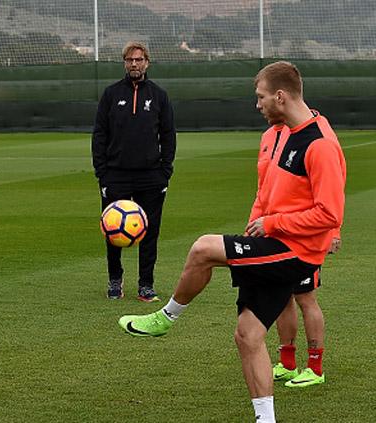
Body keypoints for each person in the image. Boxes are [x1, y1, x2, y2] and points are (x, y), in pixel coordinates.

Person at [117, 61, 346, 423]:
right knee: (248, 334)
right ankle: (265, 419)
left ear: (281, 96)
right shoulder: (282, 131)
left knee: (203, 248)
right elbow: (269, 191)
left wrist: (273, 222)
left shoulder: (320, 145)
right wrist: (258, 222)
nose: (257, 105)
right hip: (273, 243)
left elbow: (330, 214)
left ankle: (166, 317)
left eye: (261, 97)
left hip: (294, 252)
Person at [92, 41, 176, 302]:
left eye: (139, 60)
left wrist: (165, 172)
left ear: (147, 62)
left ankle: (146, 284)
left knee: (150, 232)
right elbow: (99, 135)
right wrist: (102, 173)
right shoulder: (110, 94)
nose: (134, 64)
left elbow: (168, 135)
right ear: (124, 63)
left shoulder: (159, 95)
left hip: (151, 176)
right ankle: (115, 280)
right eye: (129, 60)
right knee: (112, 229)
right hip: (116, 174)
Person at [272, 235, 340, 387]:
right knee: (283, 297)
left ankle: (315, 369)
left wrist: (334, 234)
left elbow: (333, 211)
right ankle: (287, 365)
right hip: (281, 240)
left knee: (305, 298)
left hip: (307, 243)